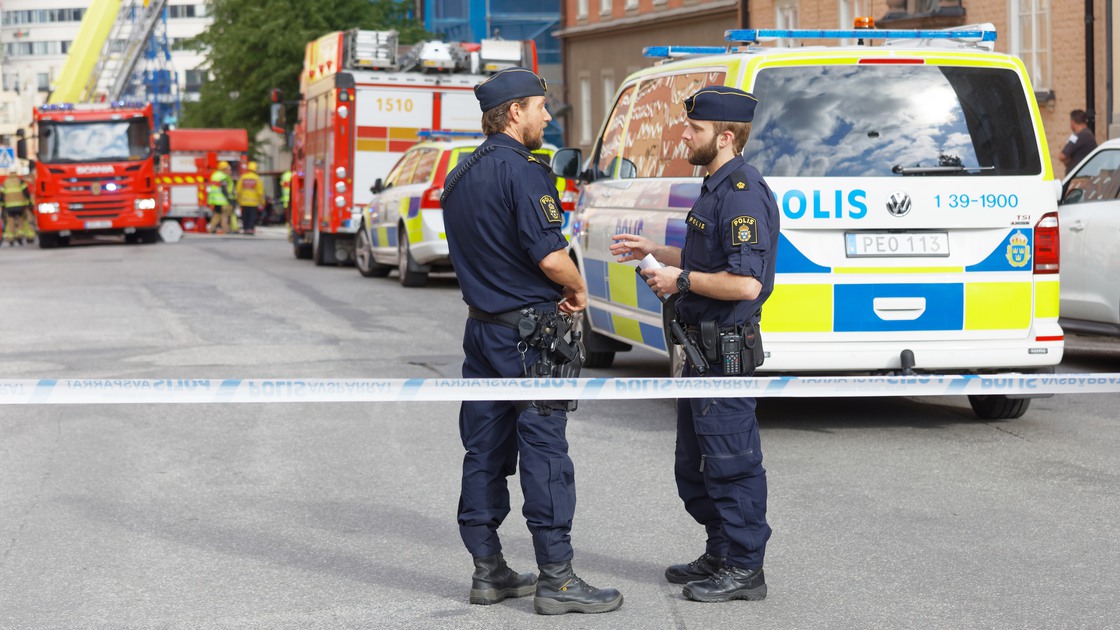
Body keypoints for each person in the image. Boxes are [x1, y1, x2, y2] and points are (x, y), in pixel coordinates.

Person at [440, 67, 623, 616]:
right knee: (544, 452)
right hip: (531, 338)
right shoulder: (524, 172)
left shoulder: (458, 174)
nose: (548, 116)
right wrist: (578, 289)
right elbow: (549, 257)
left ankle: (488, 569)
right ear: (515, 112)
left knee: (484, 451)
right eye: (542, 107)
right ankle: (558, 578)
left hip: (483, 332)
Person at [610, 85, 779, 603]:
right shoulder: (715, 187)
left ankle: (746, 569)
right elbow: (706, 258)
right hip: (698, 353)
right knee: (695, 467)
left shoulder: (743, 192)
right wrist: (657, 252)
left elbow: (745, 283)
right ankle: (721, 551)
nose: (684, 135)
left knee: (731, 463)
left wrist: (679, 280)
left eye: (695, 129)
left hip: (723, 353)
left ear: (725, 137)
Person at [1, 169, 34, 246]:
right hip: (20, 205)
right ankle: (19, 236)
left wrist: (3, 205)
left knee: (10, 222)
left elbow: (1, 196)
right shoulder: (20, 181)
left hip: (9, 206)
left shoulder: (5, 182)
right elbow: (26, 192)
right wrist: (29, 202)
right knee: (21, 220)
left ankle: (11, 238)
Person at [1059, 109, 1097, 175]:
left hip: (1079, 178)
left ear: (1072, 122)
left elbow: (1062, 156)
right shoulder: (1089, 135)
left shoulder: (1078, 136)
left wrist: (1067, 161)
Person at [234, 161, 266, 235]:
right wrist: (262, 202)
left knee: (244, 216)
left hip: (243, 201)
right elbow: (260, 192)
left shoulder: (243, 177)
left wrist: (238, 200)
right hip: (253, 202)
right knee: (252, 216)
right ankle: (250, 228)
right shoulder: (257, 178)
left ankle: (245, 228)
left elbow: (238, 190)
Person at [207, 161, 234, 234]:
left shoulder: (215, 175)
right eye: (228, 169)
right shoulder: (224, 177)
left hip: (216, 200)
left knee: (216, 215)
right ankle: (225, 230)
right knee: (225, 216)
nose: (229, 171)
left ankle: (211, 229)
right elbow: (224, 189)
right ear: (224, 169)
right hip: (224, 201)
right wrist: (229, 199)